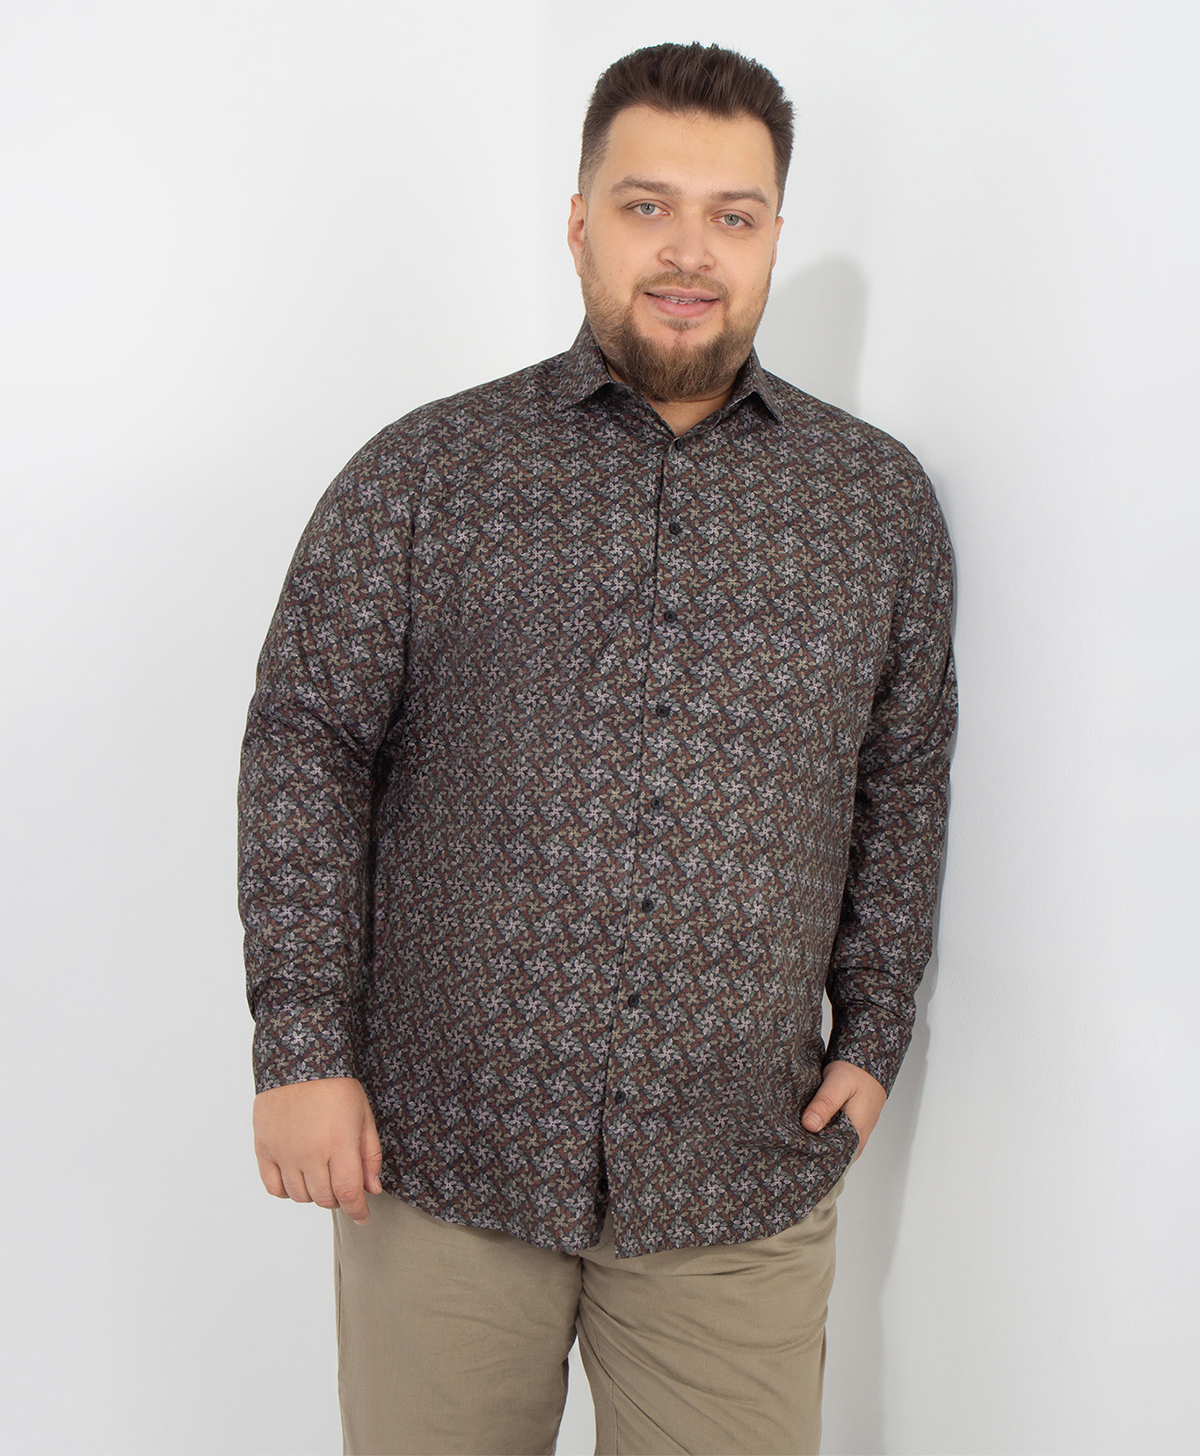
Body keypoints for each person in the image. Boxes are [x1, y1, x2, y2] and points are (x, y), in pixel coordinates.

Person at [239, 40, 956, 1456]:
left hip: (736, 1175)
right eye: (646, 206)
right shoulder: (426, 474)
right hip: (443, 1155)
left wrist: (875, 1027)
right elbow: (307, 745)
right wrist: (302, 1045)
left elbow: (904, 775)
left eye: (733, 214)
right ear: (579, 223)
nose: (689, 250)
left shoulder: (875, 506)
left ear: (774, 235)